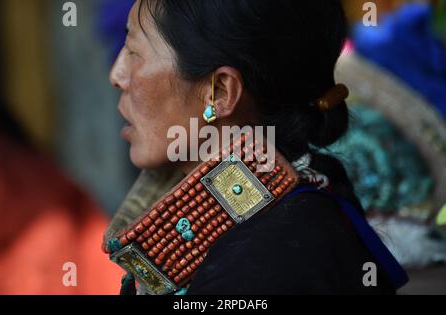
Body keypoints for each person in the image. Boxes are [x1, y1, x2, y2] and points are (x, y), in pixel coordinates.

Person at [106, 0, 407, 295]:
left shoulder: (263, 268)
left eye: (133, 52)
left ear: (220, 91)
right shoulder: (308, 194)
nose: (116, 75)